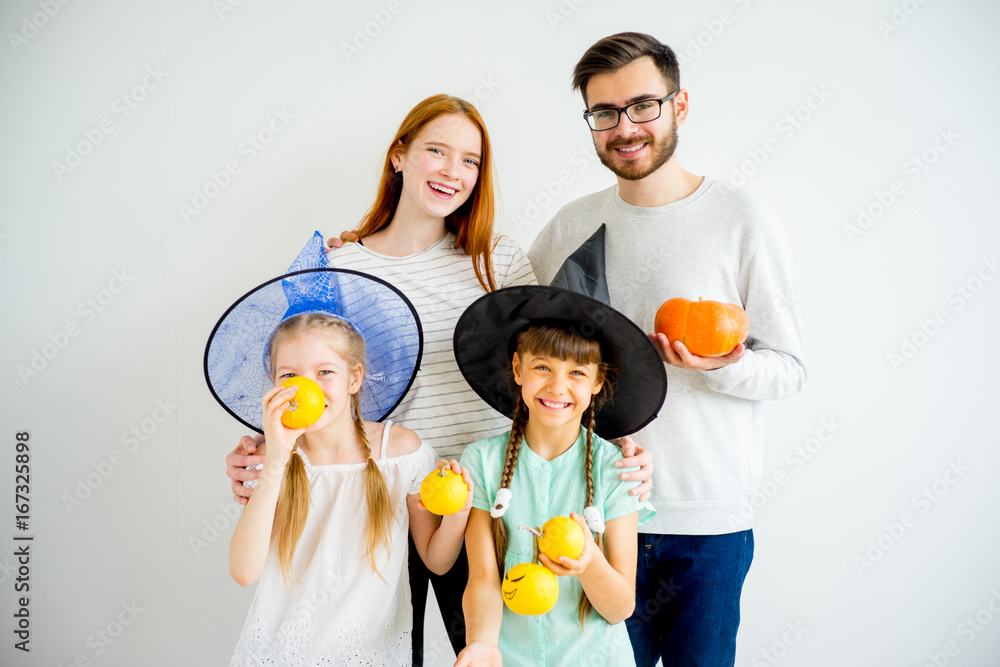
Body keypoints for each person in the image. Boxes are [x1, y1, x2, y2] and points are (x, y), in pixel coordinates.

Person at [223, 94, 657, 665]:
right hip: (377, 499)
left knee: (479, 650)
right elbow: (309, 374)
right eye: (436, 151)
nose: (454, 171)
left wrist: (614, 445)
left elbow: (554, 361)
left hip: (476, 503)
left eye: (471, 161)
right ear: (399, 156)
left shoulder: (494, 259)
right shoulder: (341, 264)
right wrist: (265, 447)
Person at [527, 33, 807, 667]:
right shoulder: (572, 224)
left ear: (680, 105)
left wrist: (725, 367)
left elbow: (789, 369)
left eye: (643, 106)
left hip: (705, 524)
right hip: (591, 519)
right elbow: (515, 329)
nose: (624, 128)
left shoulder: (742, 219)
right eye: (604, 113)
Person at [205, 240, 473, 665]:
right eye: (289, 374)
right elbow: (243, 571)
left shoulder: (401, 453)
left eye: (324, 372)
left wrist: (458, 514)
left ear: (354, 378)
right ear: (273, 384)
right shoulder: (273, 459)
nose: (306, 387)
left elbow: (436, 563)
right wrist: (275, 458)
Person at [450, 281, 666, 667]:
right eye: (542, 367)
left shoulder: (617, 470)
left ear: (598, 382)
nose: (557, 386)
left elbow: (620, 608)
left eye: (577, 373)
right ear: (518, 368)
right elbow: (482, 577)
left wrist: (589, 563)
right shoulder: (481, 462)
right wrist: (482, 642)